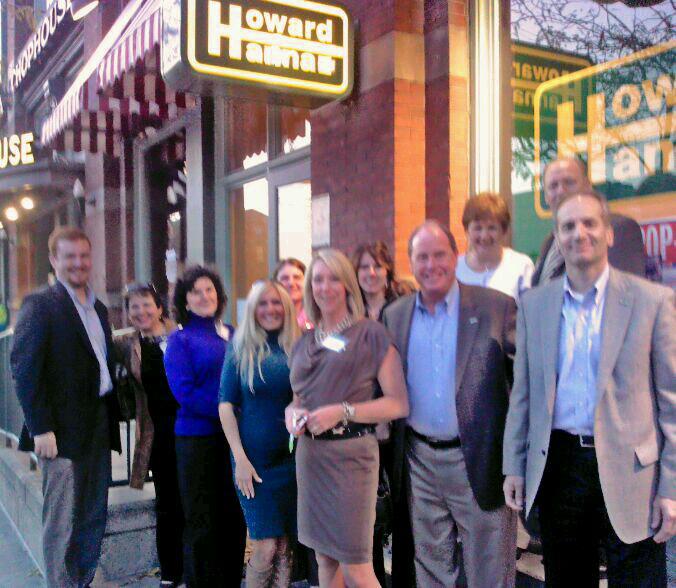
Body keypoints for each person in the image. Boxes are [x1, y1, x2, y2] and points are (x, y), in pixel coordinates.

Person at [503, 191, 675, 587]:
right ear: (558, 238)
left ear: (609, 234)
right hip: (560, 468)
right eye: (568, 226)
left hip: (634, 472)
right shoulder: (535, 306)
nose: (579, 233)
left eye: (589, 223)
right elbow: (524, 395)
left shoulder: (653, 302)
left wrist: (672, 487)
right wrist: (514, 464)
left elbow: (672, 404)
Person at [382, 220, 517, 588]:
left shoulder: (496, 308)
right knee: (431, 567)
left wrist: (518, 460)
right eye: (421, 257)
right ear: (411, 263)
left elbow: (526, 386)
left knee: (489, 571)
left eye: (439, 254)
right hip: (419, 461)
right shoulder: (395, 316)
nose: (431, 265)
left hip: (480, 460)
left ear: (455, 256)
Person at [287, 248, 409, 588]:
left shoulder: (370, 334)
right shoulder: (304, 342)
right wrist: (291, 414)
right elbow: (298, 397)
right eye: (318, 279)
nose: (325, 287)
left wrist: (343, 410)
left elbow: (398, 404)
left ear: (347, 285)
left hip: (353, 460)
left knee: (357, 566)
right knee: (324, 561)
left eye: (333, 279)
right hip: (311, 460)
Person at [11, 226, 121, 588]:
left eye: (84, 256)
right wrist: (41, 427)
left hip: (97, 425)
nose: (78, 263)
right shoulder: (41, 305)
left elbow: (97, 362)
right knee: (61, 521)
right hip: (58, 434)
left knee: (93, 513)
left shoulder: (99, 309)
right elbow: (24, 369)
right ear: (55, 260)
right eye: (69, 256)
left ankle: (83, 580)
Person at [164, 266, 246, 587]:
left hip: (234, 442)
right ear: (185, 300)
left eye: (209, 289)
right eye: (196, 291)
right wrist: (227, 412)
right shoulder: (180, 340)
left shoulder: (233, 333)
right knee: (202, 524)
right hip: (198, 442)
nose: (204, 296)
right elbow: (185, 393)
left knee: (233, 519)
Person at [219, 280, 301, 587]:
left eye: (276, 302)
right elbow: (225, 405)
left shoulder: (298, 345)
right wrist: (240, 458)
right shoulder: (239, 346)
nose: (270, 309)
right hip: (252, 464)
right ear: (253, 310)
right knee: (265, 547)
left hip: (291, 461)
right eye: (263, 303)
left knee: (284, 545)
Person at [115, 283, 183, 587]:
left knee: (192, 502)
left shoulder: (179, 337)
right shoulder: (129, 345)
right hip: (156, 435)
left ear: (159, 308)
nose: (141, 311)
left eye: (147, 305)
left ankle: (195, 569)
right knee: (167, 504)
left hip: (188, 430)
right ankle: (170, 573)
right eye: (134, 306)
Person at [351, 240, 409, 586]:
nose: (371, 273)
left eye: (377, 266)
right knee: (365, 519)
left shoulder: (405, 309)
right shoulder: (348, 315)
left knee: (403, 514)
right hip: (361, 429)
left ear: (387, 270)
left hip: (402, 429)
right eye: (364, 267)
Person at [532, 156, 646, 285]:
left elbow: (626, 293)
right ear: (546, 197)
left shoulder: (619, 228)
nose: (561, 191)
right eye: (553, 186)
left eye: (569, 182)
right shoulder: (550, 241)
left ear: (587, 186)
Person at [456, 192, 534, 301]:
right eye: (478, 228)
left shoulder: (521, 267)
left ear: (504, 231)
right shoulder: (454, 269)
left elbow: (530, 314)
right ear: (467, 230)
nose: (484, 236)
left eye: (492, 228)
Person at [274, 257, 312, 329]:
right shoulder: (269, 317)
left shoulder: (317, 316)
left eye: (297, 277)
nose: (291, 283)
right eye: (284, 278)